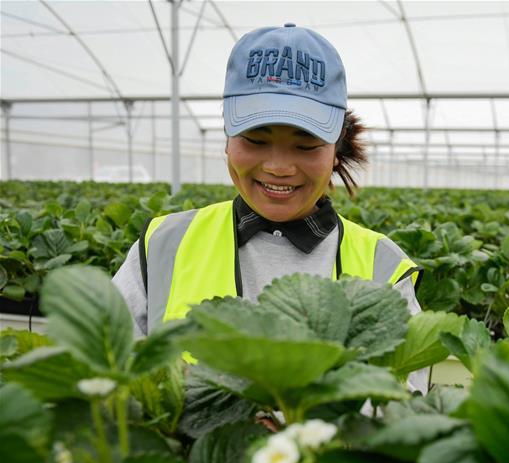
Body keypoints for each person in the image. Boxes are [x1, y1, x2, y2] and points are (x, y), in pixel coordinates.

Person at [112, 24, 426, 392]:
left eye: (306, 146)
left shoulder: (383, 267)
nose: (278, 167)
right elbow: (109, 379)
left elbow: (403, 404)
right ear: (227, 138)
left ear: (337, 148)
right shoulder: (163, 245)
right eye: (255, 140)